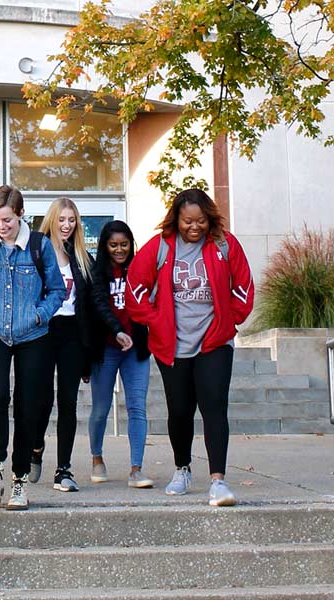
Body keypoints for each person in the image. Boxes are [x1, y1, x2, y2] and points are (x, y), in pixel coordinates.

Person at [125, 188, 254, 507]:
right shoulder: (160, 247)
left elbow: (244, 287)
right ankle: (182, 468)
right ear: (176, 220)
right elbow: (135, 289)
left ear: (209, 219)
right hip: (173, 346)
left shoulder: (225, 244)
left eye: (200, 221)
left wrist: (228, 322)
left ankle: (218, 481)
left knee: (214, 408)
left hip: (215, 343)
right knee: (179, 412)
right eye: (187, 222)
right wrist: (156, 321)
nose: (194, 227)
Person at [0, 185, 66, 511]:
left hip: (33, 335)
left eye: (6, 220)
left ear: (20, 214)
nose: (1, 226)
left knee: (27, 404)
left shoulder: (39, 246)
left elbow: (56, 290)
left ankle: (19, 478)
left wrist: (39, 314)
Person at [35, 198, 101, 493]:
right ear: (52, 220)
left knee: (68, 402)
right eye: (61, 219)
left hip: (73, 333)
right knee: (41, 400)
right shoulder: (37, 253)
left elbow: (93, 305)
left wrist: (90, 354)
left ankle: (63, 469)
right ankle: (36, 447)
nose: (66, 225)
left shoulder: (83, 258)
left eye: (72, 220)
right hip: (44, 331)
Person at [86, 220, 155, 489]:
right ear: (105, 245)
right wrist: (116, 331)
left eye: (124, 244)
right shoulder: (97, 271)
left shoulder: (140, 270)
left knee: (137, 407)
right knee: (101, 409)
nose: (119, 250)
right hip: (105, 348)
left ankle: (136, 469)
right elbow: (100, 305)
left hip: (136, 349)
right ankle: (97, 458)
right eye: (113, 245)